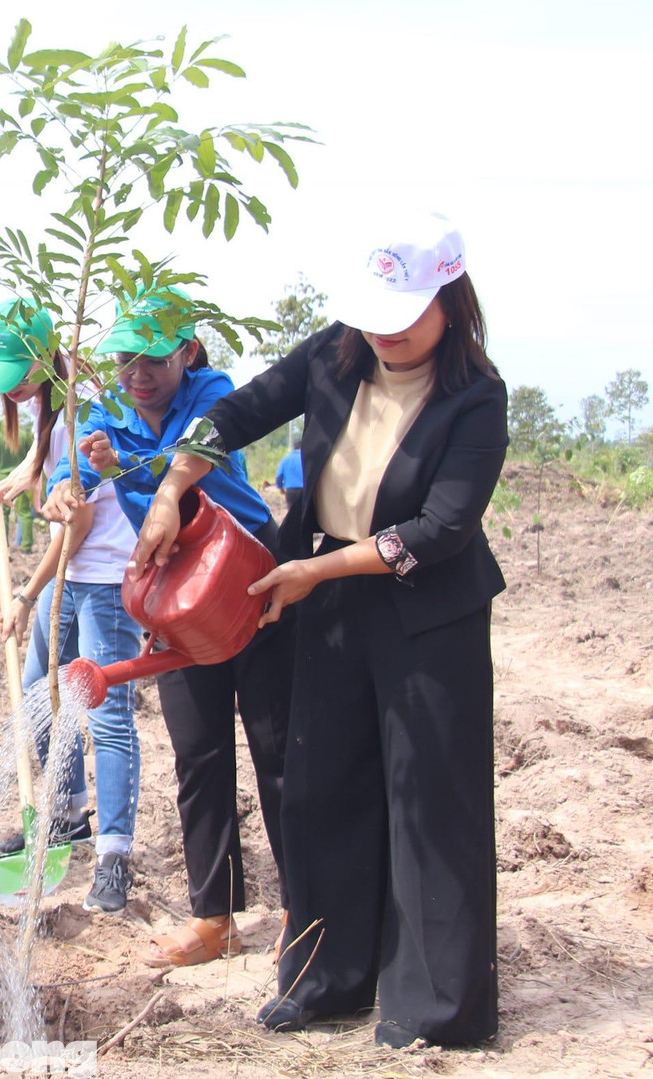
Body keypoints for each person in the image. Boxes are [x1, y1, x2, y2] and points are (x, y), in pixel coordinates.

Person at [132, 213, 506, 1048]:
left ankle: (433, 1003)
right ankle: (326, 978)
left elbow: (441, 529)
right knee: (321, 785)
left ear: (451, 300)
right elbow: (235, 413)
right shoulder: (337, 351)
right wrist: (173, 485)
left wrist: (312, 572)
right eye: (377, 312)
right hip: (328, 599)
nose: (388, 332)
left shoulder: (478, 400)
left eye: (407, 314)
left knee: (427, 797)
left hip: (426, 609)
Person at [46, 285, 293, 966]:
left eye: (153, 359)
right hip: (177, 591)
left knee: (276, 751)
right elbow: (67, 473)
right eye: (124, 360)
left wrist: (156, 481)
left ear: (187, 351)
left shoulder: (213, 391)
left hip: (249, 580)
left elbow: (201, 450)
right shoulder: (107, 411)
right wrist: (65, 488)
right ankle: (215, 917)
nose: (137, 375)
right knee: (200, 753)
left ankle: (304, 909)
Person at [0, 298, 143, 913]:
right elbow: (50, 452)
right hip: (71, 574)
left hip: (102, 584)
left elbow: (80, 529)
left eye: (15, 374)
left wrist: (26, 593)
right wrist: (26, 473)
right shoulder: (56, 411)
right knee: (43, 695)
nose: (10, 391)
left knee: (106, 714)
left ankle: (114, 856)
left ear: (44, 359)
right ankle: (65, 817)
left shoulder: (89, 407)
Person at [274, 439, 303, 510]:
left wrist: (280, 488)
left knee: (292, 513)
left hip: (290, 491)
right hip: (304, 490)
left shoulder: (285, 459)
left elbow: (279, 476)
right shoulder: (306, 458)